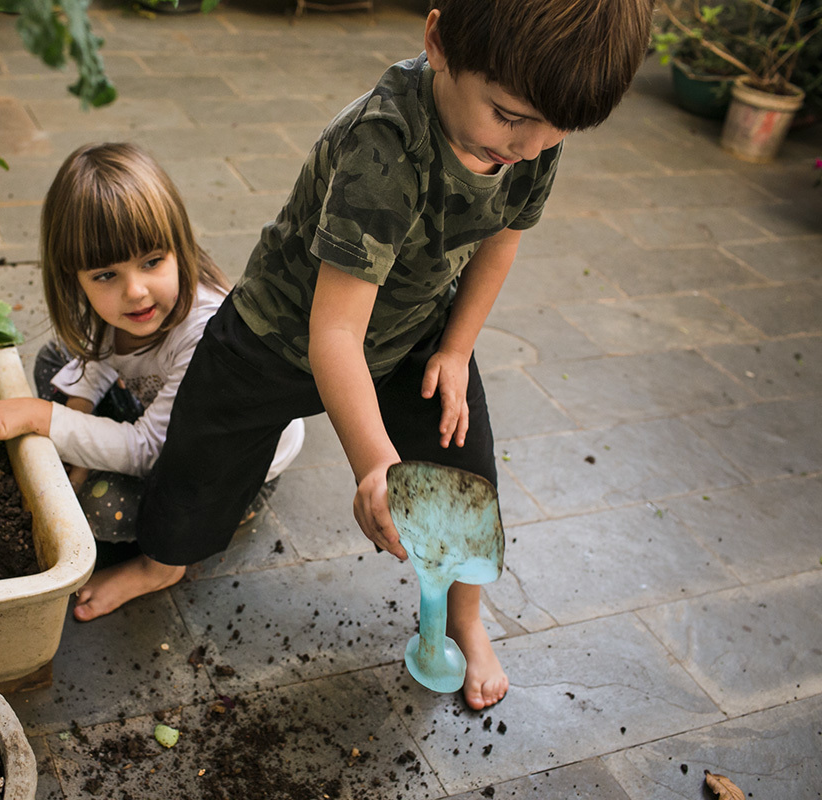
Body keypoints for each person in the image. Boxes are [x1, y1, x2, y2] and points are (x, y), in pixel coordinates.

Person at [70, 0, 655, 710]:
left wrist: (458, 347)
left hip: (412, 329)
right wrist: (376, 465)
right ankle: (162, 564)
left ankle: (466, 620)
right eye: (508, 116)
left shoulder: (532, 136)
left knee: (464, 470)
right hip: (277, 335)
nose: (529, 146)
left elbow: (503, 235)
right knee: (197, 466)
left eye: (555, 130)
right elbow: (335, 334)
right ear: (439, 42)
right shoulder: (385, 148)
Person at [0, 142, 305, 565]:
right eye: (106, 274)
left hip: (226, 468)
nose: (134, 291)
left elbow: (152, 450)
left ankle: (206, 535)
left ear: (179, 247)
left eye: (152, 262)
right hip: (166, 418)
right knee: (58, 358)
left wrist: (42, 417)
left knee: (100, 509)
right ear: (74, 280)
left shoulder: (205, 335)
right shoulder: (121, 307)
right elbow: (96, 361)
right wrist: (76, 434)